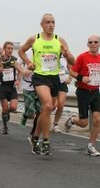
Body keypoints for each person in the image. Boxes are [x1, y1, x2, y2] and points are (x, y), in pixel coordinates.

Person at [18, 13, 75, 155]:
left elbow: (72, 62)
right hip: (40, 77)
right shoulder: (34, 39)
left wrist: (67, 53)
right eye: (48, 22)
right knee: (48, 105)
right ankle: (46, 141)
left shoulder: (59, 40)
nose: (51, 25)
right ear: (42, 25)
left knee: (47, 110)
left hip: (54, 78)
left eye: (53, 22)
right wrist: (29, 62)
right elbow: (21, 51)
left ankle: (35, 137)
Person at [64, 34, 100, 156]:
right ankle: (72, 119)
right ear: (87, 45)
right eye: (90, 42)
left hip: (95, 92)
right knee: (84, 123)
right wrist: (81, 78)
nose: (93, 44)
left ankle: (91, 146)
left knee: (97, 119)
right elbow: (72, 72)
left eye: (95, 42)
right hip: (83, 92)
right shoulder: (82, 57)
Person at [0, 41, 23, 134]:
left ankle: (6, 113)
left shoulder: (13, 60)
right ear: (4, 49)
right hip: (2, 86)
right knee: (4, 108)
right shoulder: (0, 59)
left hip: (11, 87)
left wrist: (18, 80)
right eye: (8, 48)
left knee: (13, 107)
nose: (10, 50)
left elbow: (20, 71)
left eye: (11, 48)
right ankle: (5, 127)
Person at [51, 55, 71, 132]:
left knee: (61, 104)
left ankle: (55, 124)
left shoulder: (65, 57)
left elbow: (71, 70)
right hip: (52, 82)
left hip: (62, 83)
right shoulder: (51, 55)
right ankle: (42, 118)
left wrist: (69, 78)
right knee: (53, 106)